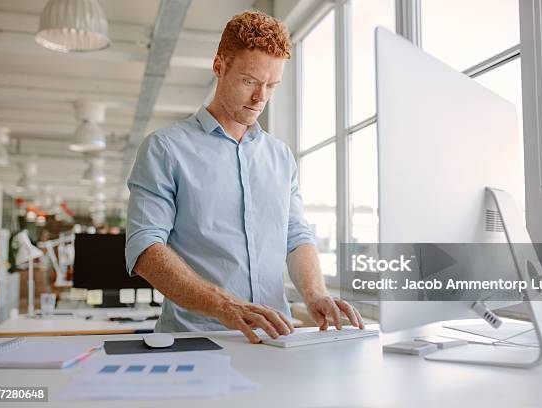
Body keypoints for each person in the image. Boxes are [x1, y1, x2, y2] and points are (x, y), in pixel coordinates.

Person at [125, 11, 364, 344]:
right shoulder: (165, 149)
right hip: (194, 342)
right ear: (219, 66)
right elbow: (145, 249)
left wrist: (316, 295)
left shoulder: (280, 157)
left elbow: (295, 236)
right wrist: (225, 305)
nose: (260, 97)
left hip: (275, 340)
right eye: (249, 81)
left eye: (271, 85)